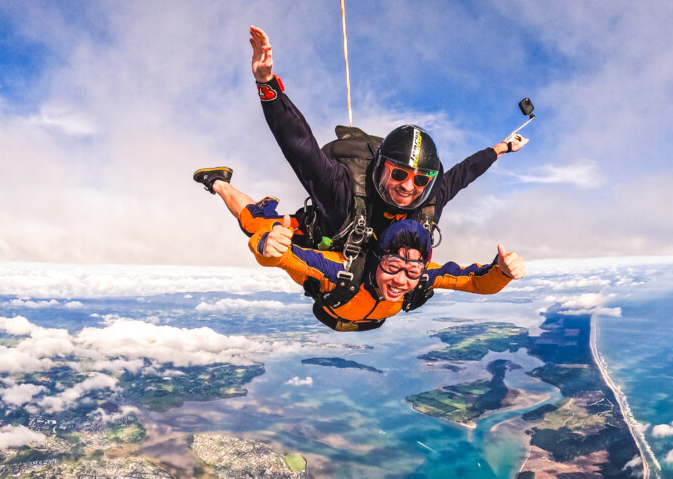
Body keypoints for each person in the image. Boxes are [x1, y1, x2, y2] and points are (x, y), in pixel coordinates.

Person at [193, 26, 529, 254]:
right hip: (321, 236)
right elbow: (300, 146)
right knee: (257, 221)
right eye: (399, 173)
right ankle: (220, 183)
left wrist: (503, 147)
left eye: (420, 178)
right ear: (381, 168)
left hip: (372, 270)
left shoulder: (431, 197)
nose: (409, 186)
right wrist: (267, 85)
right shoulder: (342, 190)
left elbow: (465, 172)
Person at [245, 198, 525, 332]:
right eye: (392, 266)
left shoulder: (423, 276)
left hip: (360, 317)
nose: (402, 280)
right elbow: (286, 257)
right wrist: (265, 245)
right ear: (377, 258)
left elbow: (476, 282)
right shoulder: (338, 270)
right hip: (330, 301)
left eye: (413, 271)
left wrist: (502, 273)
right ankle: (224, 185)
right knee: (252, 222)